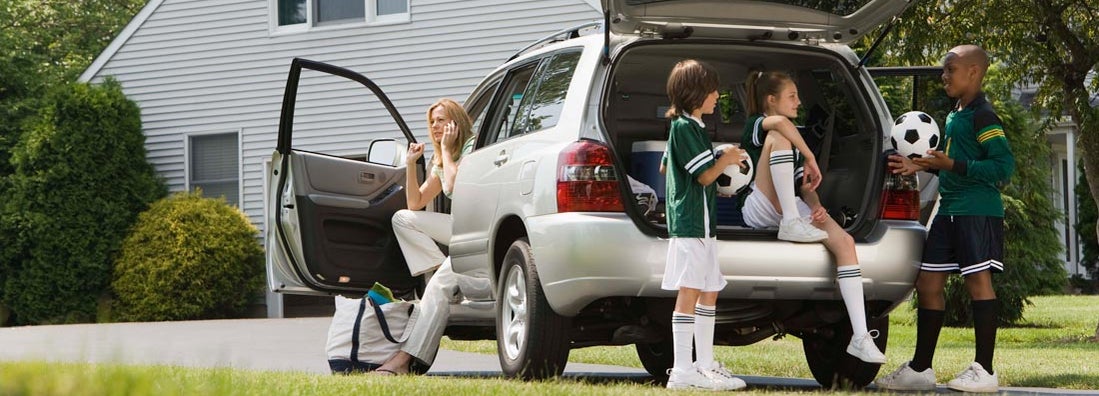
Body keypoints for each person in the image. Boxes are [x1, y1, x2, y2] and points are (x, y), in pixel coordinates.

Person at [876, 44, 1014, 393]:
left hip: (977, 212)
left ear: (973, 72)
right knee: (927, 284)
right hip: (948, 211)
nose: (943, 76)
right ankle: (921, 368)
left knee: (978, 285)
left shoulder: (984, 116)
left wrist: (949, 165)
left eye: (950, 69)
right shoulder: (956, 114)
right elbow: (948, 161)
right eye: (944, 69)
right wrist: (917, 164)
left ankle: (985, 370)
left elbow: (1002, 168)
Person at [740, 71, 886, 364]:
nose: (799, 102)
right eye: (792, 96)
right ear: (771, 100)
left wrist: (817, 205)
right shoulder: (756, 125)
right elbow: (780, 124)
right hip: (759, 207)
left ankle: (860, 336)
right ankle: (792, 223)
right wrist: (809, 155)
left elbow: (804, 189)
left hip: (790, 205)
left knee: (844, 242)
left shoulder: (792, 145)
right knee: (779, 134)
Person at [660, 59, 747, 391]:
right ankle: (681, 371)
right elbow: (705, 176)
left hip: (704, 228)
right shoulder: (683, 128)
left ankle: (705, 365)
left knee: (709, 290)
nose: (716, 95)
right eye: (712, 90)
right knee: (690, 291)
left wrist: (714, 158)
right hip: (690, 226)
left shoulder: (691, 128)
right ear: (695, 93)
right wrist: (723, 160)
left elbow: (666, 169)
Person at [373, 98, 477, 375]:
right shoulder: (441, 158)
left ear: (456, 121)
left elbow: (454, 186)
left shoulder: (472, 146)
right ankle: (435, 269)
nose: (435, 126)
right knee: (402, 218)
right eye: (432, 121)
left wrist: (445, 149)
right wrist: (410, 164)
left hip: (478, 227)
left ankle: (403, 362)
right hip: (460, 225)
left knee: (437, 290)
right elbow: (415, 203)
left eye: (441, 119)